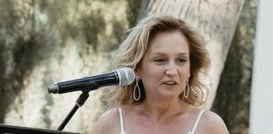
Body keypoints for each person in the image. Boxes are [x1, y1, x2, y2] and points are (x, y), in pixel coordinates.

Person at [91, 15, 229, 134]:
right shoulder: (110, 124)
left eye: (181, 60)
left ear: (190, 69)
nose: (172, 71)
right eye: (160, 60)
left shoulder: (210, 126)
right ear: (137, 69)